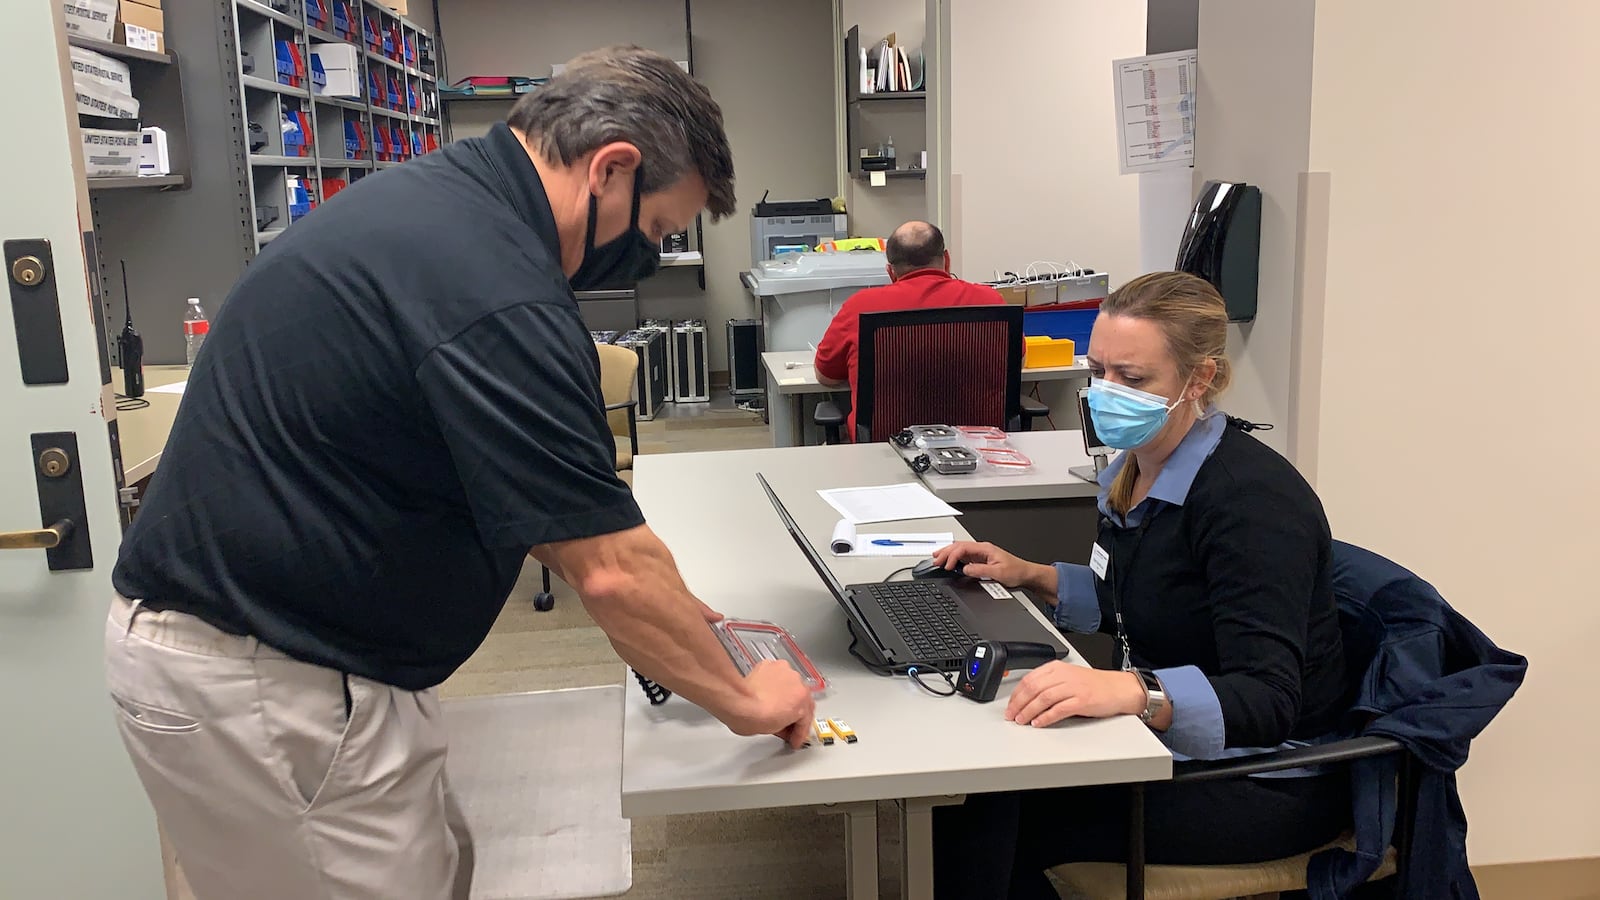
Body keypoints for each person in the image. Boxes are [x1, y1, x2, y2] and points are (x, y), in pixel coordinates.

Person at [103, 46, 814, 900]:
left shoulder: (436, 207)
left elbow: (549, 507)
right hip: (267, 680)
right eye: (658, 231)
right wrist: (749, 702)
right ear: (612, 168)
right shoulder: (496, 289)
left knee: (441, 867)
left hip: (291, 657)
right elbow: (613, 573)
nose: (649, 256)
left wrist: (679, 612)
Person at [927, 271, 1350, 899]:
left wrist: (1133, 692)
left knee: (994, 815)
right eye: (1098, 371)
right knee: (985, 788)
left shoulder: (1248, 503)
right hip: (1161, 741)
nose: (1105, 393)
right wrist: (1030, 575)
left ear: (1199, 379)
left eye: (1133, 378)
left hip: (1264, 779)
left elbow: (1267, 699)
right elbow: (1137, 600)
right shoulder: (1135, 470)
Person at [812, 220, 1004, 439]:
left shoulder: (860, 306)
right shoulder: (989, 301)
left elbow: (825, 376)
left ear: (890, 272)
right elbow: (1017, 363)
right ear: (947, 260)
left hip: (886, 454)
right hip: (977, 455)